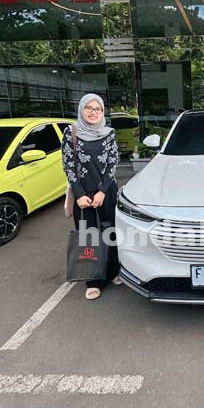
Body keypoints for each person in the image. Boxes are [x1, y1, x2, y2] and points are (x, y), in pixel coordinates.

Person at [62, 93, 122, 300]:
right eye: (89, 108)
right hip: (83, 194)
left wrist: (103, 191)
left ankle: (112, 272)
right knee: (88, 235)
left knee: (110, 232)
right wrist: (79, 194)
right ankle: (93, 280)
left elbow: (112, 163)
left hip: (106, 192)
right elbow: (68, 166)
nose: (93, 112)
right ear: (81, 110)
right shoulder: (71, 132)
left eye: (98, 109)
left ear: (102, 111)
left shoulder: (109, 133)